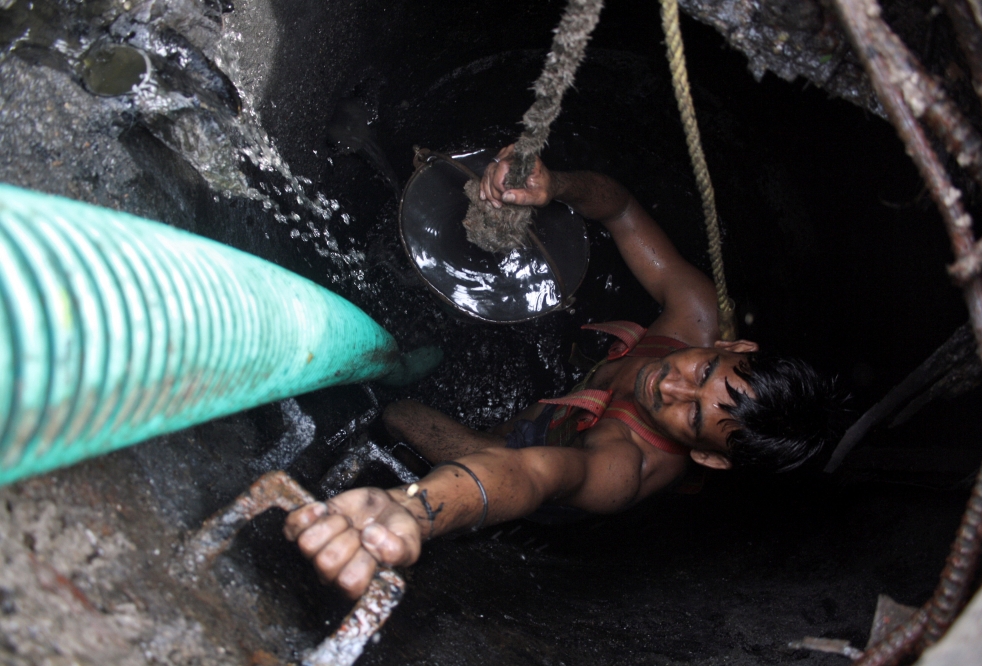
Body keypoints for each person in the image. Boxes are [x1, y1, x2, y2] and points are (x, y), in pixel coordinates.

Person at [284, 145, 846, 598]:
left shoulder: (623, 470)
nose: (669, 384)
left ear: (703, 454)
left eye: (692, 414)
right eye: (702, 371)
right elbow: (622, 210)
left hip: (535, 455)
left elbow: (530, 476)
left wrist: (413, 511)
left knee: (404, 413)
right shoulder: (695, 311)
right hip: (570, 409)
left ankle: (398, 396)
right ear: (731, 343)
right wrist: (557, 187)